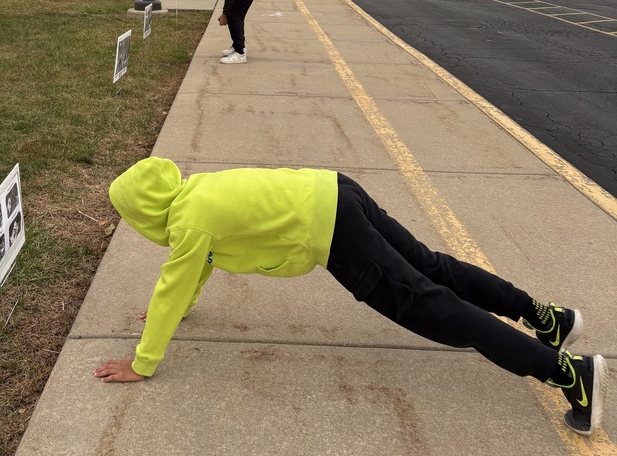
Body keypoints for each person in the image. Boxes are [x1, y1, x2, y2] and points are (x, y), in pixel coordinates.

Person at [93, 158, 608, 436]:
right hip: (336, 188)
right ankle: (545, 316)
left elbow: (174, 281)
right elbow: (194, 273)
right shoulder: (195, 192)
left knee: (429, 306)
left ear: (143, 210)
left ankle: (568, 373)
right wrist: (182, 308)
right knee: (431, 266)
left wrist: (143, 361)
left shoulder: (187, 222)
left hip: (332, 228)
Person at [182, 0, 263, 64]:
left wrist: (225, 14)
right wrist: (226, 13)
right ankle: (238, 46)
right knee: (234, 15)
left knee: (234, 16)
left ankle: (240, 53)